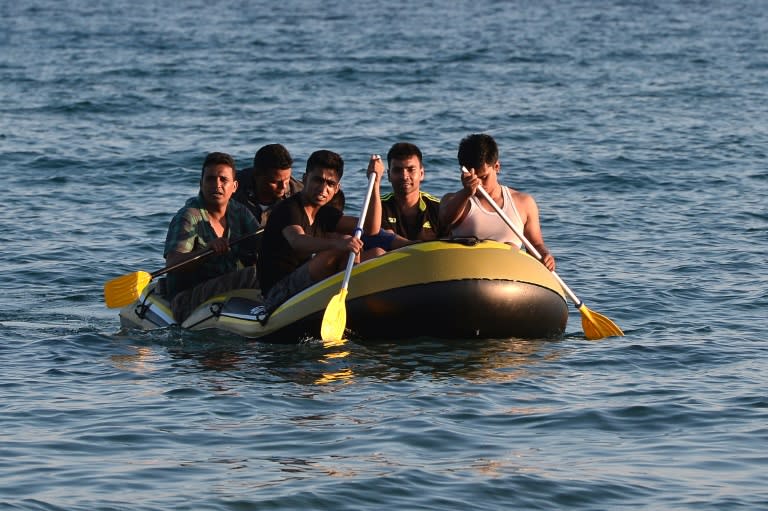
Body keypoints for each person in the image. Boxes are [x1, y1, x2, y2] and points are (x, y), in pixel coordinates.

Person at [257, 150, 386, 317]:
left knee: (378, 254)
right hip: (277, 294)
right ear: (304, 179)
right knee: (346, 245)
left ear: (336, 188)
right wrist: (338, 244)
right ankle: (353, 302)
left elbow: (370, 228)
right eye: (318, 180)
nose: (323, 189)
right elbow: (298, 241)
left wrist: (375, 182)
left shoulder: (325, 213)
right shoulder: (289, 209)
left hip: (306, 285)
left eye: (330, 184)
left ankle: (356, 300)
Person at [164, 152, 261, 322]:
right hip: (186, 299)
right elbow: (172, 264)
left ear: (235, 186)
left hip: (224, 290)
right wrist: (206, 251)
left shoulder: (240, 212)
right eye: (210, 179)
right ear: (200, 184)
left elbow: (264, 245)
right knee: (254, 275)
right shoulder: (188, 216)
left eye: (223, 180)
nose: (217, 184)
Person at [439, 133, 556, 270]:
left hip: (508, 278)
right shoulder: (453, 200)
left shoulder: (524, 203)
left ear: (497, 167)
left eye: (484, 177)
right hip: (466, 274)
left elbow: (535, 245)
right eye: (473, 177)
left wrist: (544, 255)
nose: (479, 184)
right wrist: (466, 193)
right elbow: (445, 220)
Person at [364, 142, 444, 251]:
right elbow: (373, 233)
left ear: (421, 173)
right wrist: (375, 182)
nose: (404, 176)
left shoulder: (438, 208)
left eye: (411, 169)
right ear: (388, 175)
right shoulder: (379, 207)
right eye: (397, 170)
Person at [233, 143, 303, 226]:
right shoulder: (232, 187)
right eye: (275, 182)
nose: (283, 186)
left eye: (287, 180)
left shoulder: (301, 193)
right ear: (257, 175)